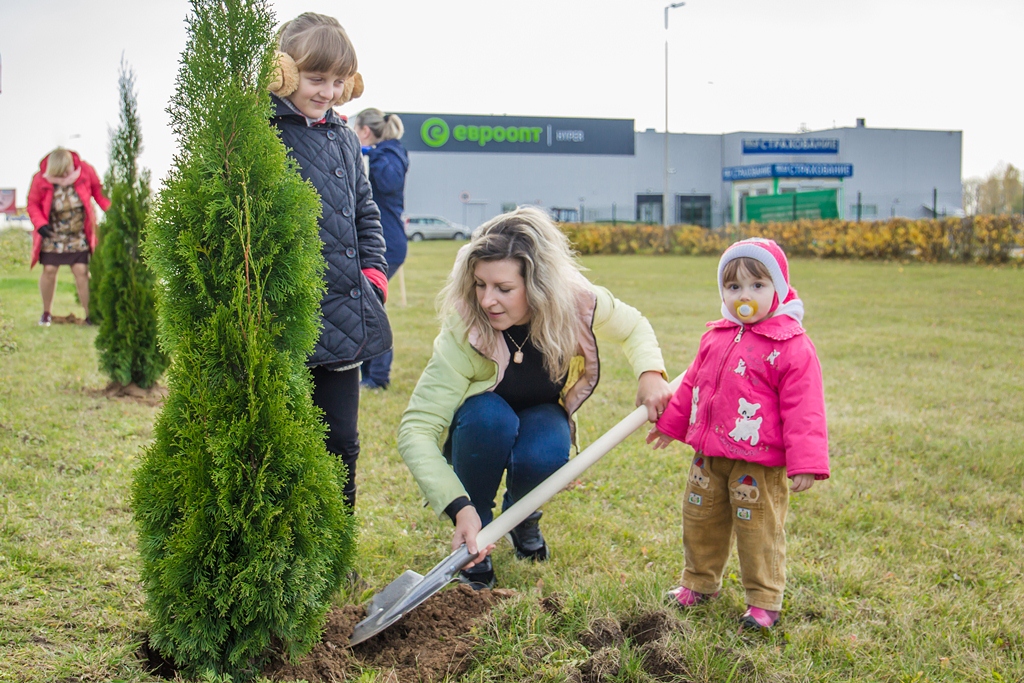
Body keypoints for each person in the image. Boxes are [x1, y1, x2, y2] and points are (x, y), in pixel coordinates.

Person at [398, 206, 673, 588]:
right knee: (488, 418)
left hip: (542, 413)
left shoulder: (578, 303)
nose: (487, 301)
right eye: (480, 284)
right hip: (483, 420)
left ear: (539, 284)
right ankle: (476, 533)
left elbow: (635, 328)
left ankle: (521, 514)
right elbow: (415, 429)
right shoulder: (466, 326)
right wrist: (460, 508)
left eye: (504, 289)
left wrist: (650, 373)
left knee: (548, 447)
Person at [647, 237, 829, 630]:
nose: (744, 296)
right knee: (700, 518)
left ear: (778, 289)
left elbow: (805, 407)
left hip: (758, 462)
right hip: (709, 455)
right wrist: (671, 425)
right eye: (733, 287)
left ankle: (764, 599)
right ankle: (698, 583)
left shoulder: (792, 346)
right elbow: (693, 384)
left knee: (757, 528)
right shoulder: (715, 336)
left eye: (757, 286)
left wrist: (806, 463)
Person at [269, 12, 392, 509]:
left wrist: (373, 277)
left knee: (341, 439)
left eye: (339, 81)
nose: (328, 91)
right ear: (284, 72)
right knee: (282, 440)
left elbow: (365, 209)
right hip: (282, 315)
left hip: (341, 310)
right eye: (317, 79)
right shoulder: (259, 132)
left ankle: (333, 544)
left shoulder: (343, 135)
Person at [353, 108, 409, 390]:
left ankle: (378, 377)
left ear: (365, 131)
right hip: (375, 240)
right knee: (362, 306)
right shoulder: (379, 153)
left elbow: (390, 182)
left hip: (387, 243)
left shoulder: (390, 154)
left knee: (371, 307)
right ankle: (366, 373)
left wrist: (369, 153)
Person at [27, 148, 110, 326]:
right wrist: (40, 224)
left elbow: (98, 193)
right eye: (58, 174)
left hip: (78, 232)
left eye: (65, 172)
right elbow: (32, 203)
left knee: (81, 271)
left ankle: (90, 315)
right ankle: (46, 313)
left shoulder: (85, 171)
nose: (63, 176)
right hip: (52, 233)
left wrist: (113, 212)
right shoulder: (40, 178)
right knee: (49, 270)